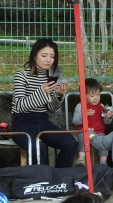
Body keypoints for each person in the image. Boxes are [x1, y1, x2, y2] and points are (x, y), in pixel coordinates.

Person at [11, 38, 78, 168]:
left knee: (70, 143)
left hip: (43, 120)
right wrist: (41, 91)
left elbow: (52, 109)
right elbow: (19, 106)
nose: (48, 60)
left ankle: (60, 177)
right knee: (36, 149)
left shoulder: (51, 76)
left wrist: (58, 95)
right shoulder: (21, 75)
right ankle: (42, 179)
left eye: (52, 57)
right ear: (35, 55)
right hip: (22, 122)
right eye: (44, 55)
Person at [73, 78, 113, 167]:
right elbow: (75, 121)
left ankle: (103, 162)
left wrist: (108, 117)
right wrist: (83, 115)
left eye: (98, 95)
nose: (96, 98)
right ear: (83, 95)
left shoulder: (101, 106)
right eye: (92, 96)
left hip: (98, 132)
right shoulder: (80, 106)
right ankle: (81, 158)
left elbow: (105, 122)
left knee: (104, 141)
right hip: (84, 131)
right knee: (84, 139)